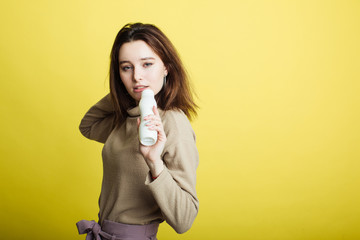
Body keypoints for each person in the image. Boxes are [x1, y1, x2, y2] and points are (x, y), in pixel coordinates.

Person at [76, 23, 199, 240]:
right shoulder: (128, 116)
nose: (137, 76)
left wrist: (155, 163)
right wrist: (130, 93)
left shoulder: (173, 123)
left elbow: (184, 219)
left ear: (166, 68)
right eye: (126, 67)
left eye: (147, 64)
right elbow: (88, 126)